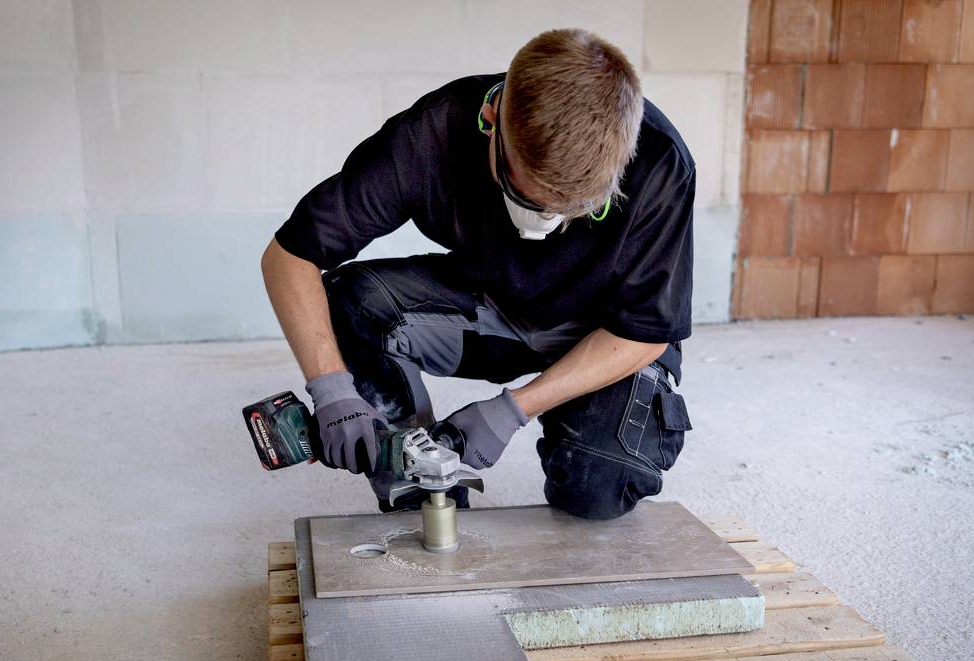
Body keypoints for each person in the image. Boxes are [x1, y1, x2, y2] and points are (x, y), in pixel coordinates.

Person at [261, 28, 693, 520]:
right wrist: (331, 387)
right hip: (491, 307)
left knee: (599, 484)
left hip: (602, 334)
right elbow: (289, 256)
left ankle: (583, 426)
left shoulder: (660, 161)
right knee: (352, 305)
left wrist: (513, 409)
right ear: (491, 120)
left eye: (575, 208)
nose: (549, 222)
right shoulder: (430, 135)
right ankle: (417, 481)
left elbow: (646, 332)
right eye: (530, 198)